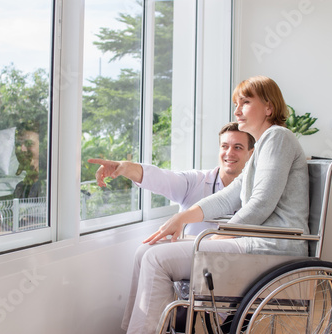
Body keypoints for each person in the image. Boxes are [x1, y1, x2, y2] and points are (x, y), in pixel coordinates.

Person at [121, 76, 310, 333]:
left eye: (245, 102)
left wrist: (220, 234)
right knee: (146, 251)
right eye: (236, 103)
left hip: (272, 248)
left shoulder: (278, 138)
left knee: (156, 259)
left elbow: (262, 203)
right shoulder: (264, 146)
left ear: (268, 107)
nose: (236, 110)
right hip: (256, 243)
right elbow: (229, 196)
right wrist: (182, 218)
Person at [88, 122, 255, 236]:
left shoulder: (259, 191)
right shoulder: (195, 181)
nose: (229, 153)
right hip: (190, 260)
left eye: (238, 147)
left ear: (251, 153)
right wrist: (124, 167)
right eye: (224, 146)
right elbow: (161, 178)